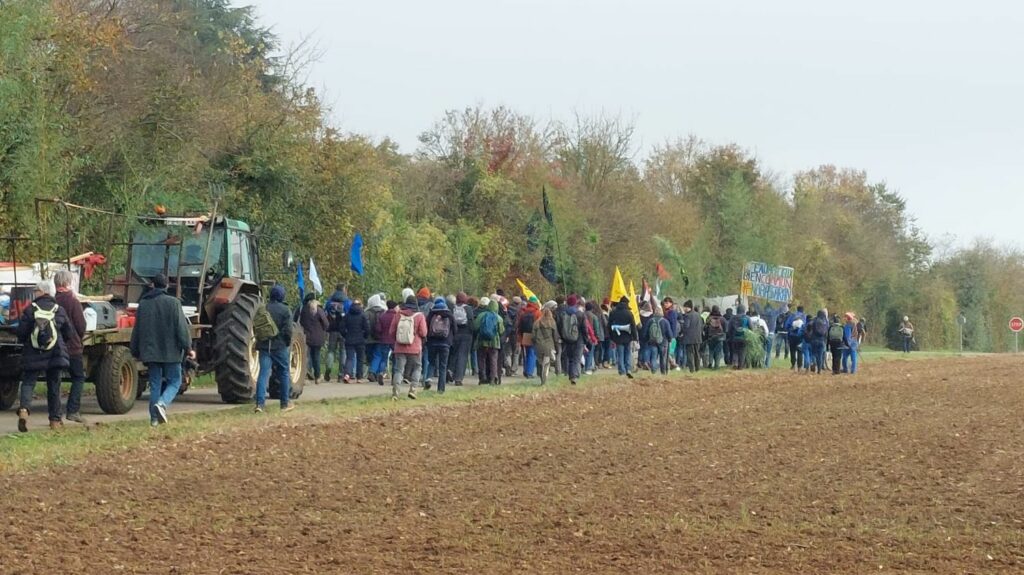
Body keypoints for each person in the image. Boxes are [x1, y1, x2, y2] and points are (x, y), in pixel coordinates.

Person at [130, 273, 193, 426]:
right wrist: (188, 347)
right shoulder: (174, 303)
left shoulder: (143, 304)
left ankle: (153, 420)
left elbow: (137, 330)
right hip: (171, 353)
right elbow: (181, 329)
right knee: (175, 381)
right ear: (166, 286)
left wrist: (135, 350)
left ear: (152, 285)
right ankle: (163, 404)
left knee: (155, 385)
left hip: (151, 353)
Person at [15, 280, 75, 432]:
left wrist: (27, 341)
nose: (35, 292)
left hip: (33, 353)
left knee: (28, 383)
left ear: (42, 292)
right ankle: (55, 420)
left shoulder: (30, 309)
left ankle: (24, 410)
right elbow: (70, 333)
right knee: (54, 386)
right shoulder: (59, 310)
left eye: (36, 290)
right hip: (55, 354)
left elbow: (21, 333)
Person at [254, 285, 295, 413]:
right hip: (280, 347)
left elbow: (257, 328)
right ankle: (284, 403)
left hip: (264, 346)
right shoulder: (285, 310)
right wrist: (287, 343)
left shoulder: (263, 308)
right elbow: (288, 331)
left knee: (263, 374)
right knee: (283, 373)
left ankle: (259, 404)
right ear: (282, 296)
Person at [53, 270, 87, 423]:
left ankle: (55, 414)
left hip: (54, 346)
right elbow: (81, 325)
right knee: (78, 377)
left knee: (54, 379)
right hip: (72, 347)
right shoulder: (73, 302)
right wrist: (78, 338)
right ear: (68, 283)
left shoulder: (52, 301)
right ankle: (72, 410)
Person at [388, 295, 428, 399]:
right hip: (415, 348)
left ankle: (395, 393)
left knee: (399, 370)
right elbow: (423, 333)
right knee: (417, 368)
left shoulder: (398, 315)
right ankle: (413, 390)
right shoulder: (419, 316)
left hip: (399, 347)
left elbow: (391, 332)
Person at [424, 297, 455, 394]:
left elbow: (426, 327)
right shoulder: (449, 314)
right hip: (445, 343)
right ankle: (441, 389)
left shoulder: (431, 313)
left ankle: (428, 378)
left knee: (431, 362)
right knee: (443, 366)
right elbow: (455, 328)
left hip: (432, 343)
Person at [298, 293, 329, 384]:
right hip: (318, 337)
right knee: (316, 357)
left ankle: (304, 376)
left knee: (305, 357)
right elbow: (326, 324)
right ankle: (317, 377)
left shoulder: (302, 310)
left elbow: (296, 320)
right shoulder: (319, 310)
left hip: (305, 336)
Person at [473, 297, 504, 385]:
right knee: (493, 360)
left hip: (481, 341)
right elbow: (501, 331)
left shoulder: (481, 315)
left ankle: (482, 377)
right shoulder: (499, 318)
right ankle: (493, 378)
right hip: (494, 342)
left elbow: (475, 327)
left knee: (481, 359)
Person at [448, 292, 474, 386]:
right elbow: (471, 322)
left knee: (453, 354)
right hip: (466, 335)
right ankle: (458, 378)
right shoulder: (468, 308)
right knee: (462, 356)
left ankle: (450, 370)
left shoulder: (452, 308)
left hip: (455, 334)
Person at [341, 298, 369, 383]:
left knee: (349, 358)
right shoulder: (362, 315)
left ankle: (347, 374)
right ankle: (359, 377)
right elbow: (367, 329)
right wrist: (364, 336)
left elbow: (341, 328)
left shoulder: (347, 315)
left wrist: (345, 335)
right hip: (360, 340)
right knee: (360, 359)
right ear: (360, 306)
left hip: (349, 339)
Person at [608, 296, 637, 378]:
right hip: (628, 336)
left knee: (620, 354)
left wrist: (611, 336)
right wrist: (635, 337)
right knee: (627, 353)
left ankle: (622, 371)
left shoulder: (613, 312)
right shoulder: (629, 313)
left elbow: (609, 325)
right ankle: (628, 369)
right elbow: (633, 326)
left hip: (617, 337)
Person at [532, 301, 560, 385]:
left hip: (539, 345)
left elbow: (533, 336)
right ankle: (544, 379)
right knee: (547, 363)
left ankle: (540, 374)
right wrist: (557, 345)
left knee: (540, 361)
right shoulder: (552, 323)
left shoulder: (536, 323)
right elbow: (555, 336)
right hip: (549, 345)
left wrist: (535, 342)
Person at [371, 300, 398, 385]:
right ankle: (394, 379)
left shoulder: (383, 316)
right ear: (394, 307)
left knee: (383, 359)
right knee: (395, 360)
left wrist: (381, 335)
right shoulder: (397, 316)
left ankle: (381, 373)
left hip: (384, 340)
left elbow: (378, 329)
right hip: (394, 341)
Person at [324, 286, 347, 383]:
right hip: (344, 331)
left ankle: (328, 369)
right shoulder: (347, 302)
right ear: (344, 289)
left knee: (331, 351)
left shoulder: (329, 302)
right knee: (343, 352)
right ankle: (341, 374)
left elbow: (325, 313)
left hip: (332, 330)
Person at [364, 293, 387, 383]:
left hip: (369, 338)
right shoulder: (383, 311)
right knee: (378, 355)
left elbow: (365, 326)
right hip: (380, 338)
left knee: (370, 356)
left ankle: (372, 372)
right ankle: (374, 372)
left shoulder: (367, 312)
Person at [517, 296, 541, 378]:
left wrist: (519, 335)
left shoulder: (523, 311)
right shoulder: (537, 312)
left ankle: (525, 370)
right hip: (533, 334)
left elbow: (519, 324)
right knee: (532, 353)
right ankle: (529, 372)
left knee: (526, 353)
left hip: (524, 334)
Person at [680, 300, 703, 373]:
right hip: (698, 337)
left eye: (684, 307)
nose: (684, 309)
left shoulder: (687, 316)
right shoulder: (698, 315)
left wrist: (682, 329)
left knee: (690, 354)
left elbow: (686, 326)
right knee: (697, 353)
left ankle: (692, 369)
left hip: (689, 338)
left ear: (687, 307)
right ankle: (697, 368)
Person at [785, 306, 807, 371]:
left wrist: (790, 330)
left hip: (791, 336)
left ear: (797, 309)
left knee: (792, 351)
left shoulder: (792, 315)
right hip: (800, 337)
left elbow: (786, 325)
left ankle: (793, 365)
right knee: (800, 351)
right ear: (803, 310)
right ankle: (799, 367)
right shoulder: (804, 316)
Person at [727, 305, 748, 370]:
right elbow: (751, 327)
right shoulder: (747, 318)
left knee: (735, 351)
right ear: (744, 310)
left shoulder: (733, 318)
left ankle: (735, 364)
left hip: (735, 337)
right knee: (742, 352)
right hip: (744, 338)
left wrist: (730, 337)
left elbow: (729, 328)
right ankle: (740, 366)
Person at [809, 310, 829, 374]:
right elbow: (827, 331)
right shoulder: (826, 322)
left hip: (814, 339)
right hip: (822, 340)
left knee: (813, 353)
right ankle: (819, 370)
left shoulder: (815, 320)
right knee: (820, 355)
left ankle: (813, 362)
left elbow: (809, 325)